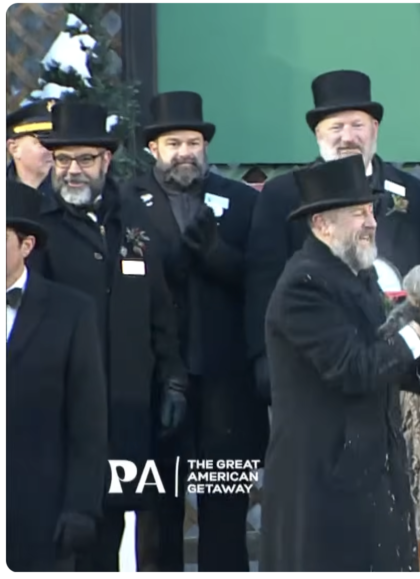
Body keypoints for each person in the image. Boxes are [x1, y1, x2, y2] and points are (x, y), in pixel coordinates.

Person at [259, 155, 420, 571]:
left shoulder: (358, 275)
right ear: (322, 224)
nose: (371, 222)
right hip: (322, 483)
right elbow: (354, 368)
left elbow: (383, 355)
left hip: (372, 473)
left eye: (370, 212)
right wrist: (418, 332)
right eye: (358, 213)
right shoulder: (304, 285)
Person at [30, 101, 188, 572]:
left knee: (114, 535)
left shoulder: (135, 224)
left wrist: (175, 379)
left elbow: (160, 311)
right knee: (62, 540)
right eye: (63, 160)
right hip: (61, 418)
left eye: (84, 159)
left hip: (128, 411)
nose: (72, 171)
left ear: (106, 160)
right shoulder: (37, 228)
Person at [123, 91, 268, 571]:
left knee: (224, 508)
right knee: (157, 509)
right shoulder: (126, 203)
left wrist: (217, 257)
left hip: (225, 385)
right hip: (155, 381)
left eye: (193, 141)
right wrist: (172, 263)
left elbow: (260, 279)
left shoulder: (242, 201)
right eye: (173, 142)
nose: (185, 151)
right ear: (152, 149)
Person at [246, 69, 420, 401]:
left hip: (402, 362)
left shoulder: (414, 193)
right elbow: (262, 281)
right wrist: (264, 360)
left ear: (374, 129)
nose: (347, 137)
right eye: (336, 127)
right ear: (318, 134)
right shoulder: (282, 195)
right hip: (318, 363)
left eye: (357, 125)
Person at [7, 180, 108, 571]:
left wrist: (81, 506)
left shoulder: (71, 312)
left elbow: (88, 420)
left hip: (42, 514)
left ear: (26, 246)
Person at [6, 99, 56, 194]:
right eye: (45, 142)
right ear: (14, 149)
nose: (54, 151)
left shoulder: (72, 193)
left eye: (59, 143)